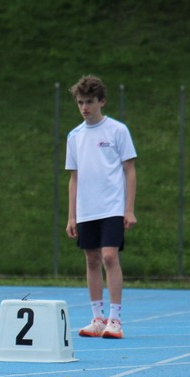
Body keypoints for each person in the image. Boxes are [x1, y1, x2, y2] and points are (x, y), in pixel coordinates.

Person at [65, 75, 137, 339]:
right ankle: (98, 317)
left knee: (109, 256)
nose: (85, 107)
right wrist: (72, 215)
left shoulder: (118, 131)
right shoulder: (74, 136)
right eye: (81, 102)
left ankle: (115, 319)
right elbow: (74, 178)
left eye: (90, 102)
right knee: (92, 259)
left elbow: (130, 171)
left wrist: (128, 209)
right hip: (87, 209)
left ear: (101, 102)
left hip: (112, 206)